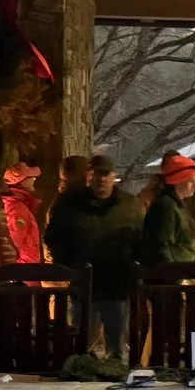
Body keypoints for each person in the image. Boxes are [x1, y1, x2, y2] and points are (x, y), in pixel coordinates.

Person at [46, 154, 144, 359]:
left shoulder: (129, 205)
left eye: (105, 174)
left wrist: (134, 267)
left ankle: (114, 369)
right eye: (95, 174)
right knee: (82, 344)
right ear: (88, 176)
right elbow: (54, 237)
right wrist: (69, 266)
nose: (101, 179)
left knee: (116, 343)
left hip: (117, 284)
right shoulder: (70, 204)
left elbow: (141, 238)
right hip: (84, 285)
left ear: (113, 176)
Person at [140, 152, 195, 267]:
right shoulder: (167, 207)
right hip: (176, 274)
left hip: (183, 270)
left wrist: (191, 244)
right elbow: (161, 247)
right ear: (177, 180)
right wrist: (173, 274)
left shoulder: (175, 205)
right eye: (191, 181)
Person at [0, 157, 46, 265]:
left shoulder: (16, 203)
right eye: (32, 178)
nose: (34, 180)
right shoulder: (17, 207)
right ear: (24, 182)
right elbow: (16, 239)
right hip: (25, 266)